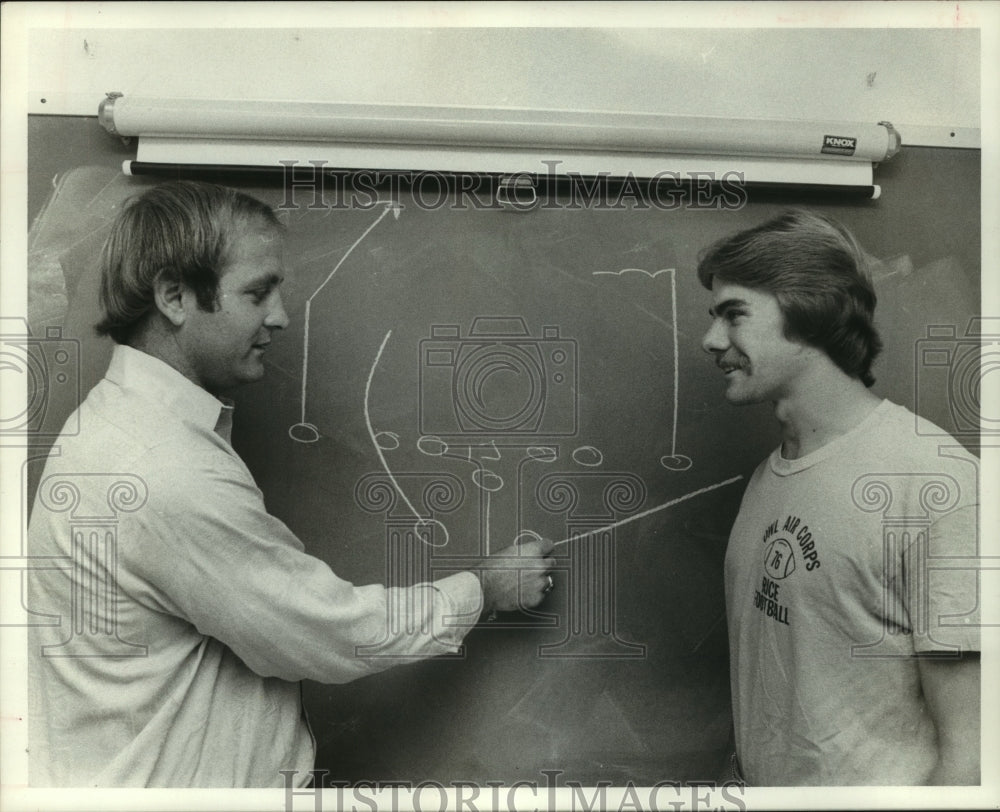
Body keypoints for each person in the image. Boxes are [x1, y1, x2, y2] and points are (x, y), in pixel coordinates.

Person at [26, 180, 556, 787]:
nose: (279, 317)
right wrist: (484, 590)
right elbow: (325, 630)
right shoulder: (163, 468)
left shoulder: (110, 426)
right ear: (174, 295)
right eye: (257, 293)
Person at [698, 210, 980, 786]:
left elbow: (973, 760)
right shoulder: (769, 478)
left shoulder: (937, 482)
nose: (711, 340)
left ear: (810, 313)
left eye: (734, 315)